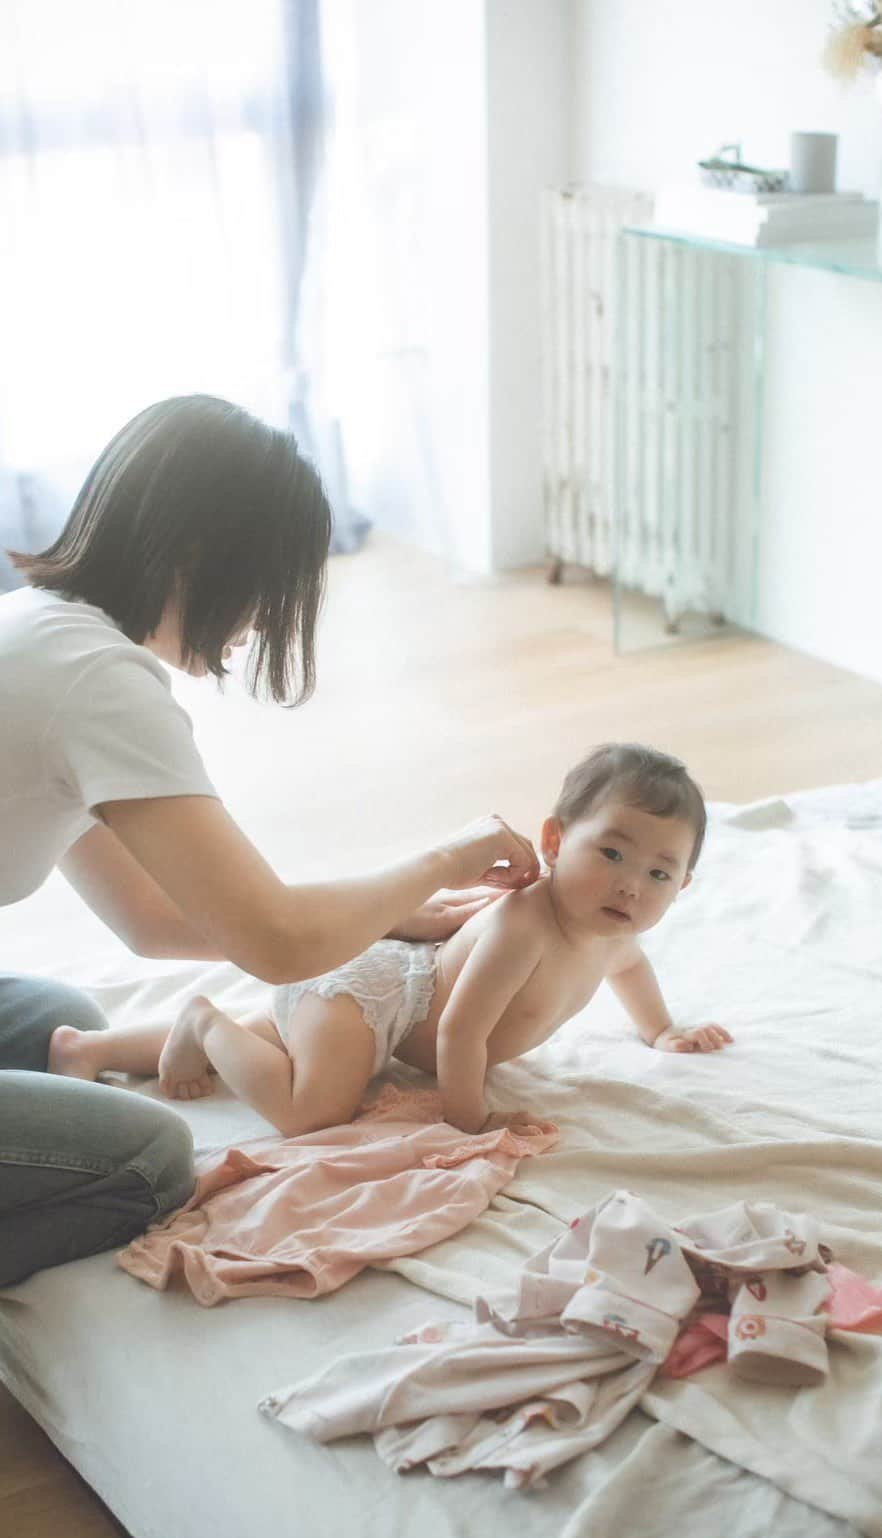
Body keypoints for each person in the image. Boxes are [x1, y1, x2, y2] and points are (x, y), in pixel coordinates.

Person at [0, 394, 539, 1287]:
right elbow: (279, 945)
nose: (260, 622)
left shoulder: (36, 628)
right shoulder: (100, 681)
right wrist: (450, 855)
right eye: (270, 585)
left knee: (71, 1027)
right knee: (149, 1164)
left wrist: (386, 916)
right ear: (203, 556)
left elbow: (153, 917)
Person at [49, 744, 733, 1138]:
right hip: (372, 1000)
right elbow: (459, 1037)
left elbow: (633, 971)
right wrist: (472, 1122)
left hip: (368, 995)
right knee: (311, 1109)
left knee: (277, 1034)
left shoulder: (615, 933)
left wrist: (663, 1030)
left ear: (684, 885)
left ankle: (90, 1047)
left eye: (658, 873)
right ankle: (203, 1022)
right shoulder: (523, 925)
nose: (630, 887)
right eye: (611, 854)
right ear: (553, 841)